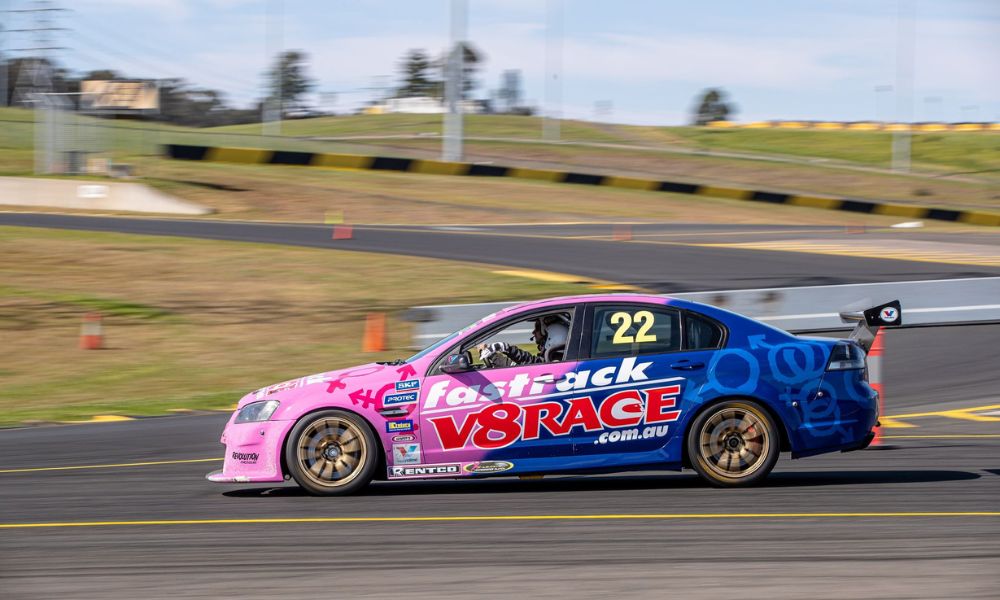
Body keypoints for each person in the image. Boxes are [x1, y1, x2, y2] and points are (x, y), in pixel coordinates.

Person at [478, 315, 569, 368]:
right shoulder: (552, 359)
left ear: (552, 338)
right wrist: (505, 349)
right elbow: (530, 361)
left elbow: (519, 367)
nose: (533, 332)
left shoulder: (554, 363)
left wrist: (495, 356)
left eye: (537, 329)